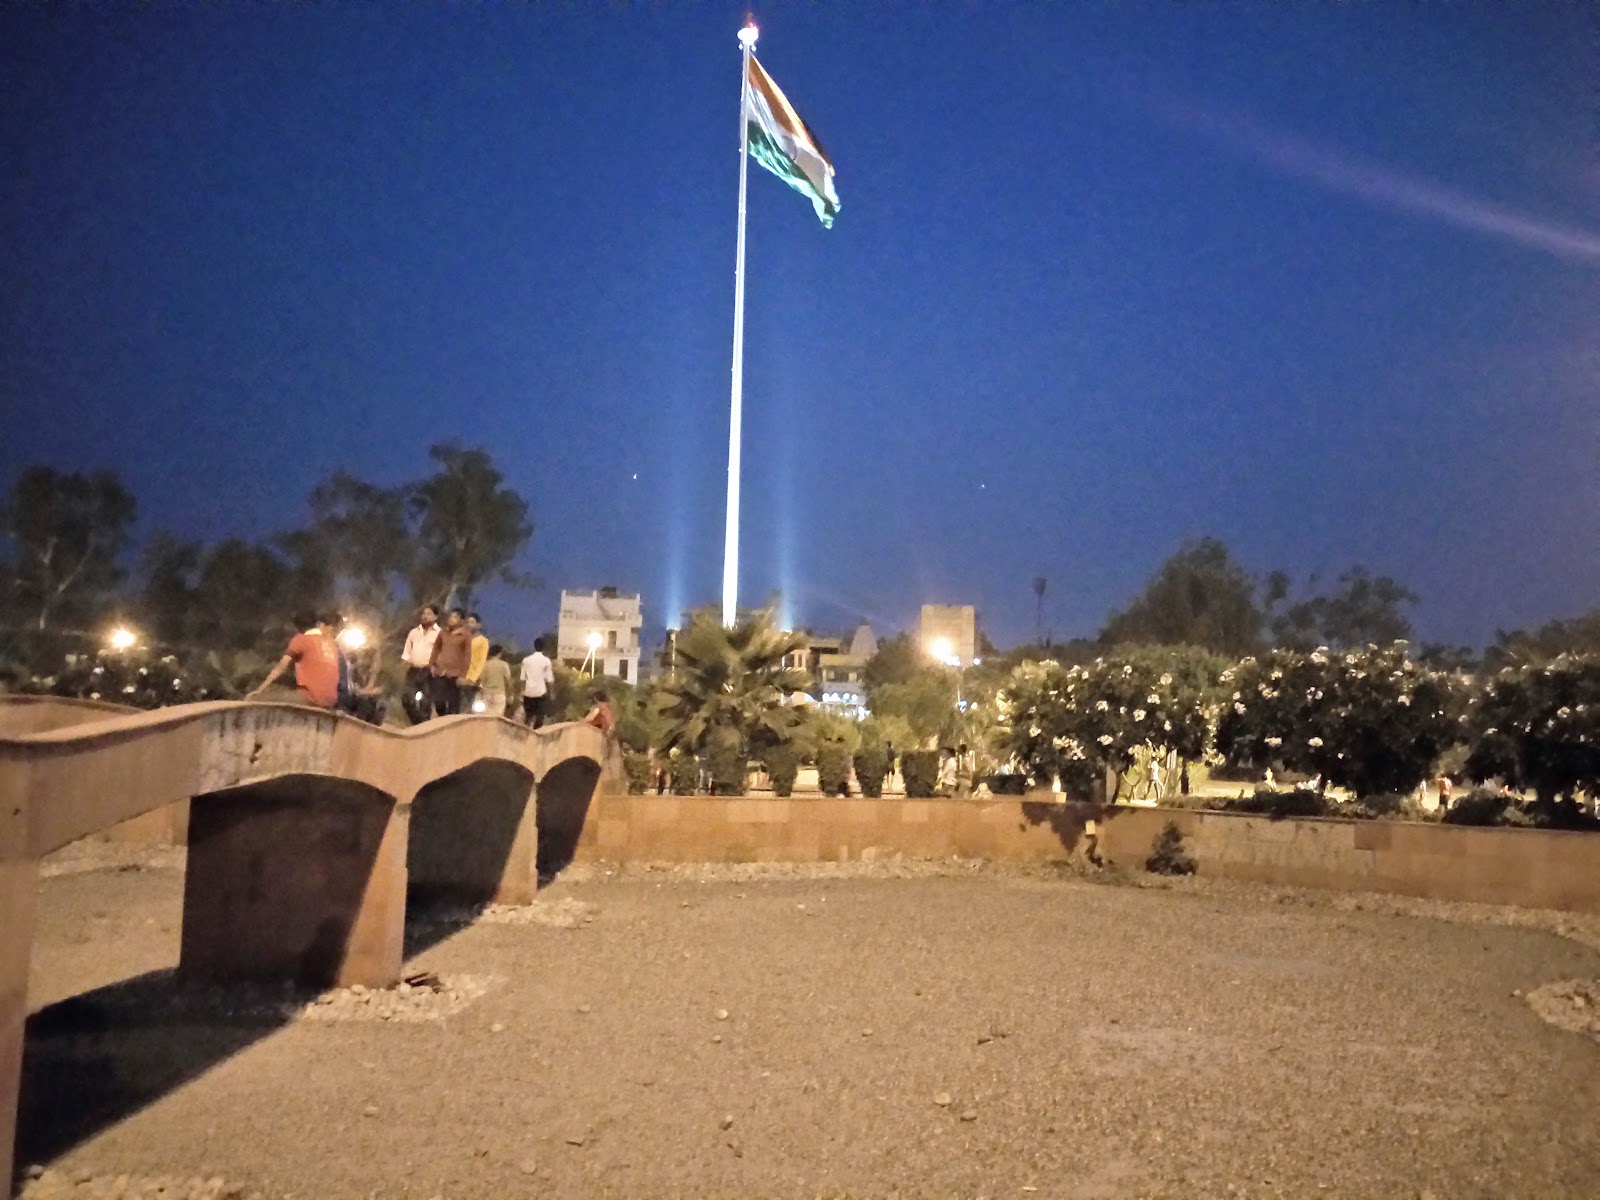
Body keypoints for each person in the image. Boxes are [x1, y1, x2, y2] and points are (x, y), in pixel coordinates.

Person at [246, 610, 341, 709]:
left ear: (297, 627)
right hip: (331, 701)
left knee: (259, 699)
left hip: (309, 698)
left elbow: (280, 668)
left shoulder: (300, 639)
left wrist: (260, 690)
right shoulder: (333, 645)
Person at [400, 605, 441, 723]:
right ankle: (418, 722)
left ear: (435, 617)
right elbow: (407, 652)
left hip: (429, 671)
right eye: (423, 614)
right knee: (406, 698)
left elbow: (441, 653)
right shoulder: (414, 632)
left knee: (426, 703)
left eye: (429, 614)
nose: (425, 616)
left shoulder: (440, 634)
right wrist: (403, 666)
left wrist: (437, 667)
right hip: (413, 670)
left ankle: (423, 727)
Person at [428, 607, 472, 715]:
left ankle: (451, 725)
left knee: (454, 704)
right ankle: (443, 719)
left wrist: (463, 675)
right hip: (440, 672)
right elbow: (436, 649)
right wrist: (432, 665)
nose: (451, 619)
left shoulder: (465, 635)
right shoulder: (443, 632)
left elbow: (467, 656)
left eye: (455, 617)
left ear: (461, 621)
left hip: (455, 674)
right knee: (439, 701)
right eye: (450, 616)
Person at [520, 635, 556, 728]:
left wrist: (521, 692)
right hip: (540, 693)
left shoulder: (526, 660)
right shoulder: (546, 661)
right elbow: (550, 679)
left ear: (534, 646)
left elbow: (522, 678)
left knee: (528, 717)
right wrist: (551, 694)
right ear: (544, 647)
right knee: (539, 717)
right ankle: (536, 735)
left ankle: (526, 735)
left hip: (528, 693)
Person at [461, 613, 489, 713]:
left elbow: (482, 661)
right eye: (467, 622)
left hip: (474, 681)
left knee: (471, 710)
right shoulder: (462, 639)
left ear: (478, 625)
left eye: (472, 622)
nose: (469, 624)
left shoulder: (483, 641)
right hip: (460, 678)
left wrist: (473, 678)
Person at [477, 642, 512, 718]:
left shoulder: (485, 665)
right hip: (499, 693)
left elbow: (481, 681)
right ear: (499, 653)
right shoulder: (504, 665)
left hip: (487, 693)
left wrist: (480, 694)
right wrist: (510, 695)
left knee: (486, 716)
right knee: (498, 717)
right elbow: (508, 681)